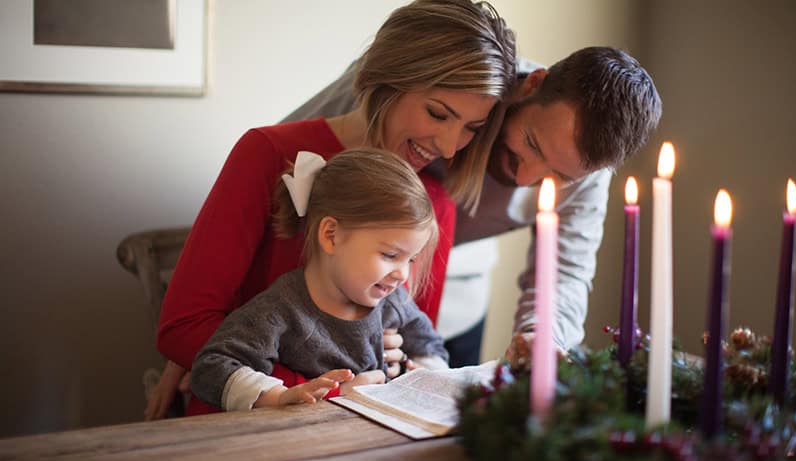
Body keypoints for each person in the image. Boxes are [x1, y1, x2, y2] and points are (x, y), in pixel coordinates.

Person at [145, 0, 517, 419]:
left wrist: (401, 372)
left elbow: (414, 348)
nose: (449, 147)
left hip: (360, 429)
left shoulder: (436, 204)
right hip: (248, 421)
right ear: (388, 78)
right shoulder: (268, 154)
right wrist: (317, 390)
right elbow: (183, 326)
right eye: (437, 113)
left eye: (471, 128)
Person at [284, 46, 662, 365]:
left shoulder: (587, 176)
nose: (526, 178)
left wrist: (541, 337)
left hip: (455, 308)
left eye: (559, 176)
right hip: (320, 300)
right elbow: (293, 155)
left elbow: (565, 272)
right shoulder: (454, 81)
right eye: (531, 143)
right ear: (532, 84)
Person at [190, 148, 448, 410]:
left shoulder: (394, 302)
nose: (402, 274)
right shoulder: (281, 309)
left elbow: (431, 350)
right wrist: (279, 398)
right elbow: (211, 368)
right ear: (331, 235)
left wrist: (421, 374)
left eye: (411, 259)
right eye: (390, 254)